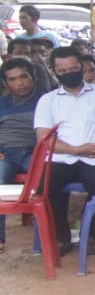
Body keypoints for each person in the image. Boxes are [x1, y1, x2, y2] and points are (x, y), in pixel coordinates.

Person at [34, 46, 95, 256]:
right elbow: (43, 138)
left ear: (81, 67)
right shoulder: (48, 100)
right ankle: (61, 237)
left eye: (73, 69)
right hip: (61, 157)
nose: (69, 73)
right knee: (45, 188)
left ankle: (90, 235)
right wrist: (75, 150)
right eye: (62, 71)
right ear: (54, 72)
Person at [0, 57, 41, 253]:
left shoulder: (46, 100)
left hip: (35, 153)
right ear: (6, 83)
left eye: (24, 77)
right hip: (6, 154)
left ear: (33, 77)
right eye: (13, 79)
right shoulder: (1, 104)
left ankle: (41, 240)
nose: (19, 83)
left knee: (44, 183)